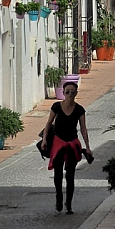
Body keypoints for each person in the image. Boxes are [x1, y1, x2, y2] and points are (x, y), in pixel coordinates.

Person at [40, 82, 92, 214]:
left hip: (72, 144)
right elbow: (48, 123)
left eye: (72, 92)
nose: (70, 94)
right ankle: (59, 198)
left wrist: (88, 147)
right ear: (63, 92)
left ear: (76, 93)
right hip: (58, 143)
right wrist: (44, 140)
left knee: (70, 175)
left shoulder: (79, 110)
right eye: (67, 91)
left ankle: (68, 203)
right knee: (58, 174)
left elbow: (83, 129)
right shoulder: (56, 106)